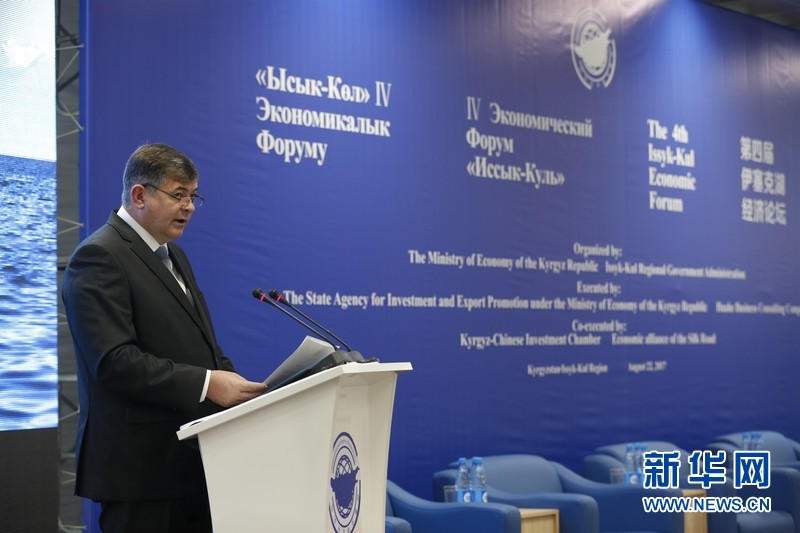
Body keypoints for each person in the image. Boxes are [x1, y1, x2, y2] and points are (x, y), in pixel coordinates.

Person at [62, 143, 267, 533]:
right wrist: (208, 384)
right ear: (140, 195)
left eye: (193, 196)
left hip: (193, 462)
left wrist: (239, 387)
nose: (189, 207)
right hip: (140, 473)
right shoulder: (99, 257)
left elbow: (201, 345)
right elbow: (114, 362)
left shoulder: (174, 255)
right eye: (178, 195)